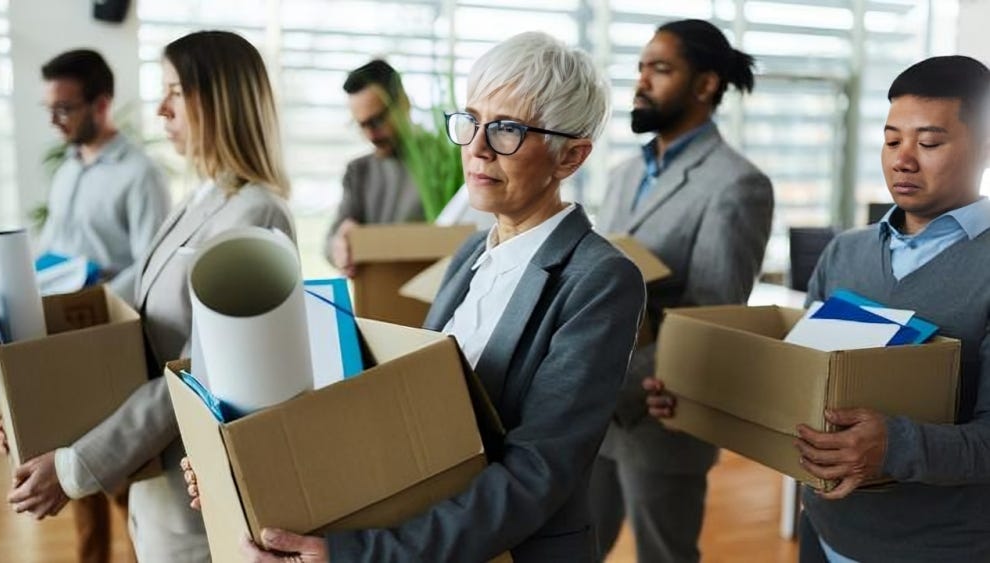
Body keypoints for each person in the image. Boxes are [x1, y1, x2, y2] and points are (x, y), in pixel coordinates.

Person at [187, 31, 646, 562]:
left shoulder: (601, 279)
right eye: (471, 120)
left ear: (571, 158)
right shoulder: (469, 255)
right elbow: (405, 418)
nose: (475, 147)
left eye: (506, 130)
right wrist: (242, 473)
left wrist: (362, 554)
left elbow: (537, 473)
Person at [2, 30, 296, 563]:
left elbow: (197, 371)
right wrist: (35, 413)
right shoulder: (199, 199)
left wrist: (75, 466)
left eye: (175, 92)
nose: (160, 109)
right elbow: (134, 334)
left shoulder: (255, 214)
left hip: (194, 495)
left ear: (219, 99)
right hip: (154, 480)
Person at [791, 56, 990, 562]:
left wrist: (894, 446)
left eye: (928, 143)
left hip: (937, 548)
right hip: (824, 528)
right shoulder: (845, 252)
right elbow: (803, 379)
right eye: (891, 140)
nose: (903, 159)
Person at [590, 19, 774, 563]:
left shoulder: (737, 184)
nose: (641, 81)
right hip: (597, 410)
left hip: (659, 411)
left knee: (664, 556)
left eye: (661, 69)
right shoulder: (624, 175)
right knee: (576, 547)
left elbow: (710, 318)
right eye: (641, 67)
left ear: (705, 85)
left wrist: (615, 386)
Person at [38, 49, 170, 304]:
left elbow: (151, 264)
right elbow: (52, 243)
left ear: (101, 105)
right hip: (55, 313)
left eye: (63, 109)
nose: (53, 121)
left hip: (102, 319)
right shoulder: (67, 169)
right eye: (49, 109)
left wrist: (99, 305)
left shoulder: (141, 175)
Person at [325, 59, 426, 277]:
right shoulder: (358, 171)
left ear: (403, 103)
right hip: (376, 302)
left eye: (377, 120)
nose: (371, 135)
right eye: (362, 125)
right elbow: (330, 242)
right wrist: (340, 244)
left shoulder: (447, 164)